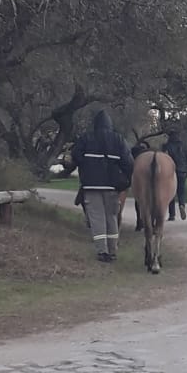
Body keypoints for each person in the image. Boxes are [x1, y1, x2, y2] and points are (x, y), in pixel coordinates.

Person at [64, 110, 133, 262]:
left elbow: (75, 156)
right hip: (112, 187)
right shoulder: (118, 139)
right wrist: (127, 181)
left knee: (97, 218)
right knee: (112, 217)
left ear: (95, 124)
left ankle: (102, 252)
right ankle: (113, 250)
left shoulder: (86, 138)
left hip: (91, 186)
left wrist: (86, 166)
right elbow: (128, 163)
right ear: (110, 124)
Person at [162, 127, 187, 221]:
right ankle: (182, 205)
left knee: (171, 193)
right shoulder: (185, 146)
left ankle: (172, 215)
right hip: (182, 171)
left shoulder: (166, 146)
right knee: (181, 191)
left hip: (170, 172)